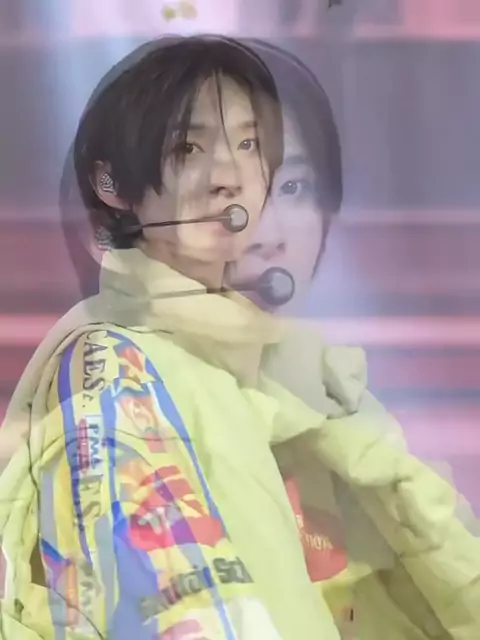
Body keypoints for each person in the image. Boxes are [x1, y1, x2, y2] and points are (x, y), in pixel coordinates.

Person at [0, 34, 479, 640]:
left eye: (290, 187)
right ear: (117, 194)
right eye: (193, 155)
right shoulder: (118, 374)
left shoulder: (321, 386)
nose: (261, 226)